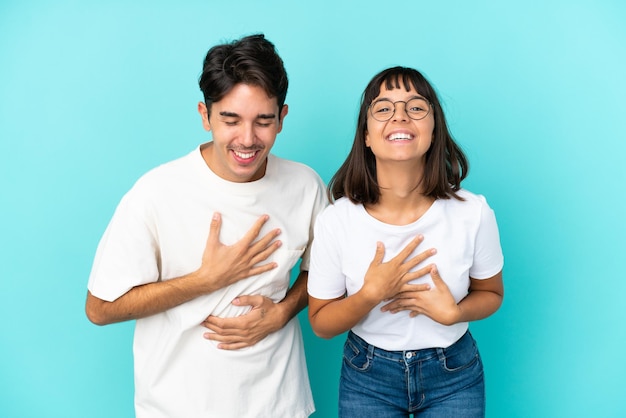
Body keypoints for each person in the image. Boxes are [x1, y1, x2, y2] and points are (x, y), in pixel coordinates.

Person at [85, 34, 326, 418]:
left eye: (263, 121)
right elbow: (100, 308)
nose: (247, 140)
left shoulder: (306, 185)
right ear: (205, 115)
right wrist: (206, 280)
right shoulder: (156, 192)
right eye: (231, 120)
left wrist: (283, 312)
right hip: (178, 406)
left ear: (281, 118)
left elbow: (327, 272)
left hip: (279, 403)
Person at [307, 66, 504, 417]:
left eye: (415, 107)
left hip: (454, 374)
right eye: (383, 108)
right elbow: (321, 323)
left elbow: (492, 294)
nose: (399, 116)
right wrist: (370, 295)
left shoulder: (473, 213)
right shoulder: (336, 220)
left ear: (433, 130)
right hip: (367, 376)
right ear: (366, 135)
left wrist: (454, 313)